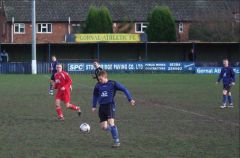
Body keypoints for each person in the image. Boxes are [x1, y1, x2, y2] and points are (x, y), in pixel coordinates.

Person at [92, 70, 135, 148]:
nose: (99, 81)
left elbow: (124, 89)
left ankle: (116, 141)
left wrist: (130, 99)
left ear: (105, 77)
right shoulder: (98, 85)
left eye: (101, 79)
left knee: (111, 123)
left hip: (110, 105)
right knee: (104, 127)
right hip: (101, 107)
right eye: (99, 79)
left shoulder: (113, 83)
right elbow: (95, 95)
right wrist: (94, 106)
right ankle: (113, 130)